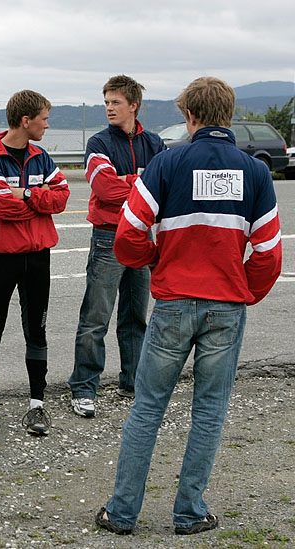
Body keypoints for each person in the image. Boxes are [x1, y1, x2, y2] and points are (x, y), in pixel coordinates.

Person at [95, 76, 282, 536]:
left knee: (147, 408)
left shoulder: (166, 163)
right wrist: (242, 291)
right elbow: (268, 253)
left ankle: (122, 512)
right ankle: (190, 511)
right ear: (230, 115)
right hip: (226, 306)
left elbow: (128, 236)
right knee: (210, 411)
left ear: (189, 115)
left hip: (174, 302)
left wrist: (156, 259)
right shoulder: (256, 172)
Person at [0, 90, 70, 439]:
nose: (47, 125)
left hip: (38, 257)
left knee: (37, 331)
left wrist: (25, 193)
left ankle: (37, 404)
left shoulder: (41, 157)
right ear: (26, 121)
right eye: (44, 118)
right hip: (0, 258)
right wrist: (38, 203)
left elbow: (62, 198)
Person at [68, 75, 166, 418]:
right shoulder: (99, 143)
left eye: (116, 102)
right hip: (108, 236)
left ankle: (133, 384)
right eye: (106, 102)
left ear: (133, 105)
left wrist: (128, 180)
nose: (109, 108)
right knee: (96, 317)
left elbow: (165, 187)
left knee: (135, 317)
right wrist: (142, 183)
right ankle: (84, 388)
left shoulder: (154, 143)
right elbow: (106, 189)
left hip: (142, 236)